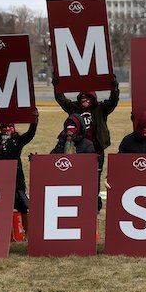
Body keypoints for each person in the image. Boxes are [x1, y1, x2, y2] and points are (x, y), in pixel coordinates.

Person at [54, 75, 120, 208]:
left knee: (94, 180)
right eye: (82, 97)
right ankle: (76, 204)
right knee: (76, 178)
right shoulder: (74, 108)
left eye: (88, 97)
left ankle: (93, 206)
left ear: (93, 99)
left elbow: (113, 101)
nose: (85, 100)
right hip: (77, 150)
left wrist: (115, 88)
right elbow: (61, 99)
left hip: (96, 151)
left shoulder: (101, 109)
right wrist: (57, 86)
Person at [0, 110, 38, 232]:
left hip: (16, 175)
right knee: (3, 202)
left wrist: (34, 120)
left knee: (22, 204)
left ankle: (27, 230)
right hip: (1, 175)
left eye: (10, 126)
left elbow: (31, 133)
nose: (7, 129)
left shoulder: (18, 140)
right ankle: (3, 231)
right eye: (4, 127)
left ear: (14, 128)